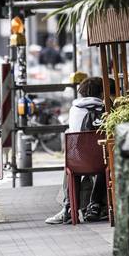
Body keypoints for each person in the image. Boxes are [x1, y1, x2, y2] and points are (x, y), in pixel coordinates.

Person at [46, 77, 106, 225]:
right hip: (101, 162)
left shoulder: (74, 109)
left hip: (79, 162)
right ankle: (96, 205)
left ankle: (68, 208)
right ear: (101, 93)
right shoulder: (106, 109)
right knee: (106, 163)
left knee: (70, 167)